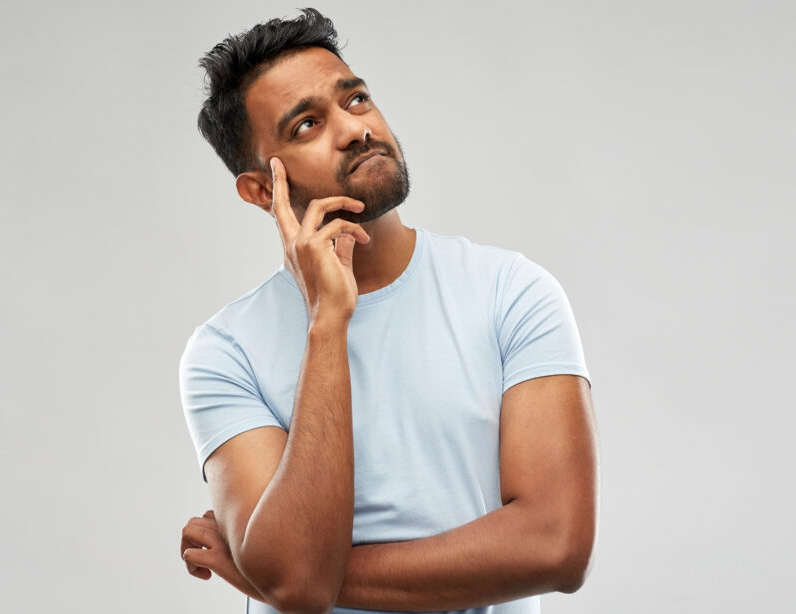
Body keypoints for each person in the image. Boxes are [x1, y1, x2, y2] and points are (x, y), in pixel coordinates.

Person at [177, 8, 598, 614]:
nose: (354, 129)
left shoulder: (512, 292)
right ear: (262, 190)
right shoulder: (225, 352)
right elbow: (295, 581)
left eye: (356, 99)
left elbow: (556, 547)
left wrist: (275, 574)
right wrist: (328, 323)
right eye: (306, 126)